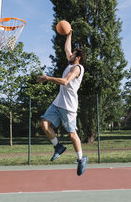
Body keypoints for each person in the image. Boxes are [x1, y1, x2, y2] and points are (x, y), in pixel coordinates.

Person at [37, 30, 87, 176]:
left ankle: (80, 158)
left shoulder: (77, 68)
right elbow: (66, 48)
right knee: (43, 123)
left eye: (72, 54)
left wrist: (47, 78)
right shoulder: (70, 63)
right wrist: (69, 35)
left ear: (77, 57)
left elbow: (65, 82)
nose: (69, 54)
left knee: (72, 134)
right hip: (58, 102)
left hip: (69, 106)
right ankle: (58, 147)